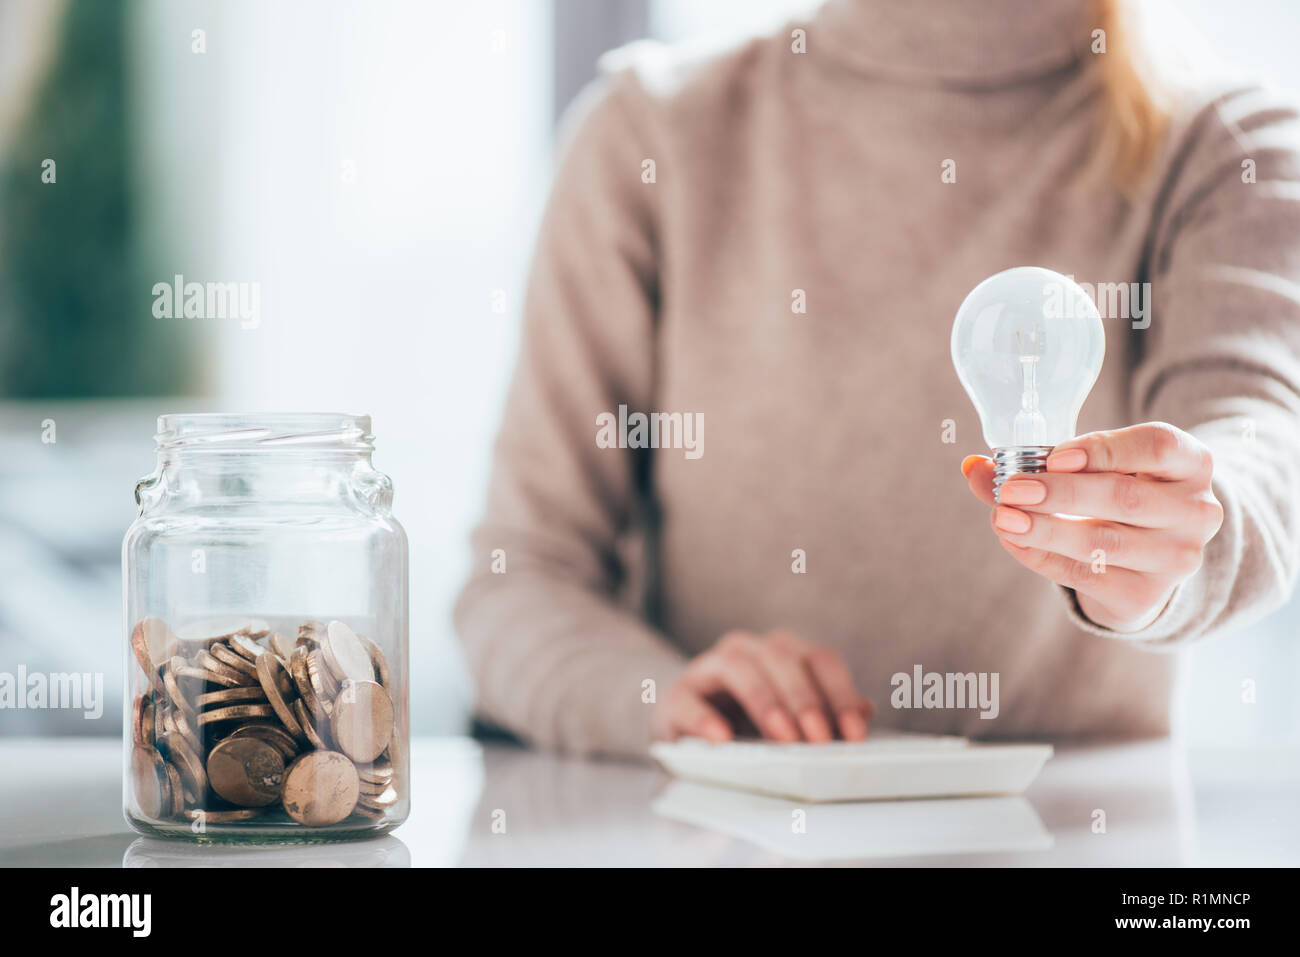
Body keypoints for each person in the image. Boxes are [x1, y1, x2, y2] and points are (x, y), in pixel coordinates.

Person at [454, 0, 1300, 756]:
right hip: (733, 846)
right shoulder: (652, 134)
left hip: (1071, 843)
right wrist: (669, 701)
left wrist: (1172, 538)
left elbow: (1261, 456)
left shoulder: (1222, 147)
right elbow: (519, 580)